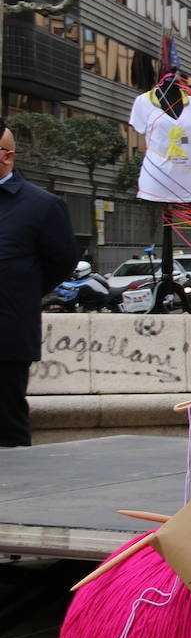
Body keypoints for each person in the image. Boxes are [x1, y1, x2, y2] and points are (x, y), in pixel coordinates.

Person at [0, 122, 79, 446]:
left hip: (7, 333)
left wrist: (20, 291)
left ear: (7, 156)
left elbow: (62, 262)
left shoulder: (42, 205)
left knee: (7, 423)